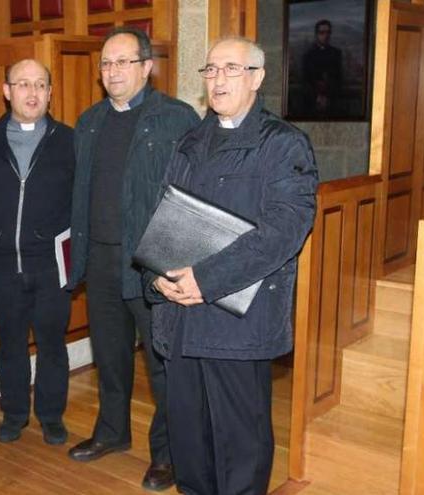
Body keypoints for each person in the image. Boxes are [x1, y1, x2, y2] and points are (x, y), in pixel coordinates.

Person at [146, 37, 318, 494]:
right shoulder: (190, 140)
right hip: (179, 314)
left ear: (257, 78)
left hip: (238, 320)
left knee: (240, 442)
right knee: (188, 437)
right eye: (211, 70)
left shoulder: (284, 145)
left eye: (231, 69)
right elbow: (164, 215)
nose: (218, 80)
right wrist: (157, 275)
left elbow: (283, 231)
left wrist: (205, 279)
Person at [66, 26, 199, 492]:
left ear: (147, 66)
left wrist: (177, 263)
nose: (113, 71)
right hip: (99, 261)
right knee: (110, 356)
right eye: (106, 63)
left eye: (123, 61)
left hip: (152, 264)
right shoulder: (89, 121)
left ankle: (168, 454)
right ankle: (112, 433)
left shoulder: (178, 119)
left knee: (162, 364)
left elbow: (190, 197)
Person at [0, 59, 74, 446]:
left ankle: (51, 416)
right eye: (22, 85)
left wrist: (75, 258)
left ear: (50, 93)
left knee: (52, 343)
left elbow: (81, 205)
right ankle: (14, 413)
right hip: (3, 263)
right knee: (10, 343)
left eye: (40, 85)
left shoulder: (70, 141)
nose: (31, 93)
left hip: (52, 265)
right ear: (6, 90)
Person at [301, 19, 342, 116]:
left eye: (328, 32)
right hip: (311, 102)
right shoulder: (308, 55)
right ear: (316, 34)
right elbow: (306, 80)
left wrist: (328, 97)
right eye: (322, 32)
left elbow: (339, 78)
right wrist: (317, 97)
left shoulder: (336, 53)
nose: (326, 36)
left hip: (332, 102)